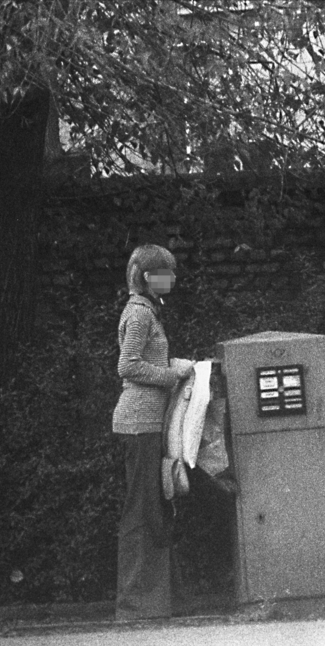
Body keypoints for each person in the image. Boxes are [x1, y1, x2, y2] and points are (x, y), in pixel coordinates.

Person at [113, 244, 194, 620]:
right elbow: (128, 366)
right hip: (138, 424)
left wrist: (180, 366)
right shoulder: (140, 314)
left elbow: (149, 360)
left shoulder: (148, 312)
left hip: (149, 424)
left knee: (155, 508)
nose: (174, 278)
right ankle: (136, 606)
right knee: (143, 511)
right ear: (148, 277)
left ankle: (157, 601)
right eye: (167, 272)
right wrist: (170, 375)